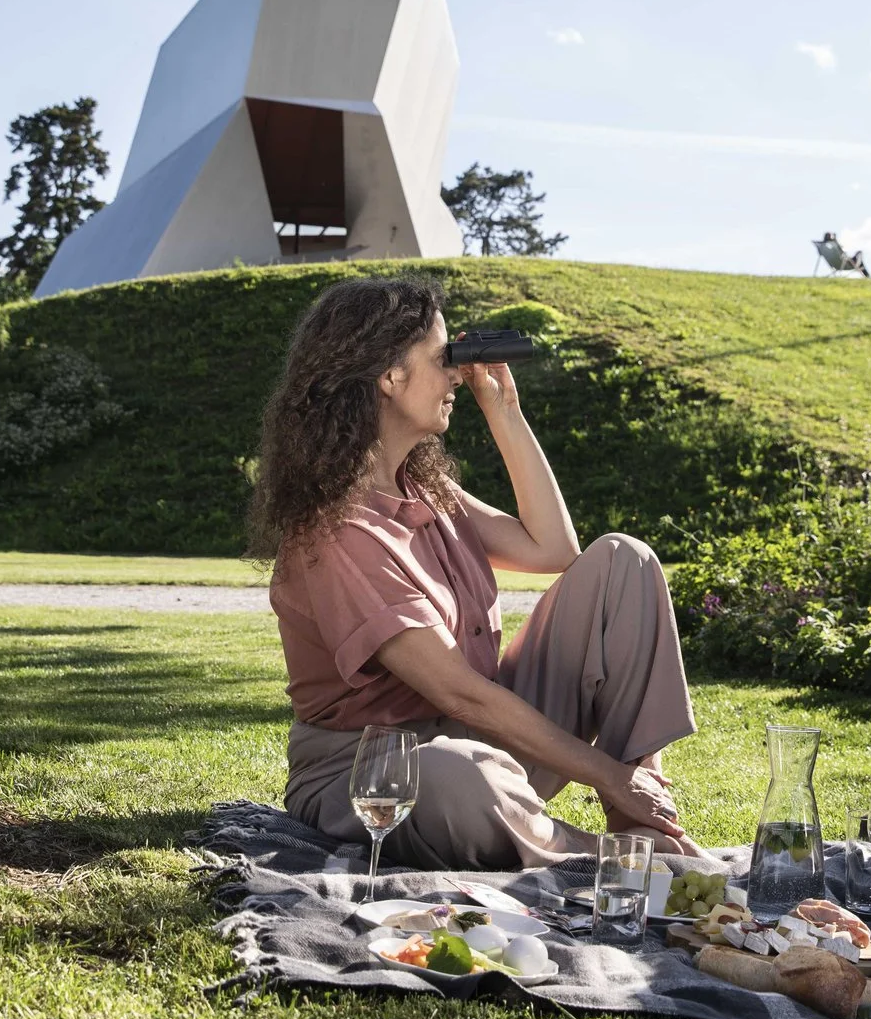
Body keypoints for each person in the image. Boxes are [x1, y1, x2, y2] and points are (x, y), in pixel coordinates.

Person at [258, 275, 698, 868]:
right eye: (445, 360)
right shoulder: (336, 530)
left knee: (624, 560)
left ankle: (640, 818)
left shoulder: (427, 490)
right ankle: (607, 856)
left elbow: (553, 549)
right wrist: (608, 774)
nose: (457, 377)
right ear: (389, 377)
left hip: (481, 742)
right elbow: (459, 694)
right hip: (374, 770)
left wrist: (506, 411)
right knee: (455, 774)